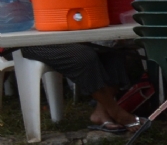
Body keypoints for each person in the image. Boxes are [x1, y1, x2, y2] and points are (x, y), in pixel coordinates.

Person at [15, 44, 146, 132]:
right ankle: (117, 112)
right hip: (25, 43)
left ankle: (101, 112)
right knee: (84, 56)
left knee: (113, 50)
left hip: (63, 32)